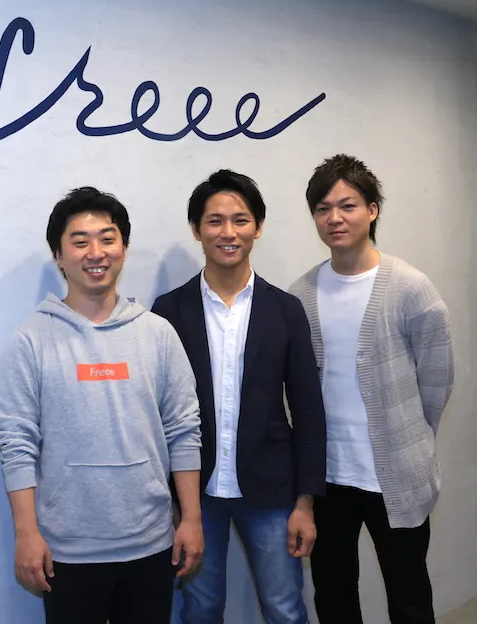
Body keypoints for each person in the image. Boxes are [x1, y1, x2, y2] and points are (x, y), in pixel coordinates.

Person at [0, 186, 204, 624]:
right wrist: (26, 533)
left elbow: (184, 429)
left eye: (108, 239)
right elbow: (17, 443)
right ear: (59, 255)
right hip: (67, 552)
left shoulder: (158, 334)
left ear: (123, 248)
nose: (96, 253)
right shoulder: (31, 340)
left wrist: (192, 519)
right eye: (80, 241)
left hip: (151, 545)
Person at [151, 169, 326, 624]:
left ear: (258, 227)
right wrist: (171, 500)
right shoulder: (169, 311)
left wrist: (305, 502)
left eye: (240, 220)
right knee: (201, 607)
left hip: (272, 490)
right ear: (197, 230)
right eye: (215, 221)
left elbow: (309, 411)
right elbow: (158, 413)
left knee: (285, 609)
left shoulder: (285, 309)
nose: (228, 232)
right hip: (195, 492)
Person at [289, 154, 454, 624]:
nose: (335, 218)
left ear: (372, 210)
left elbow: (437, 381)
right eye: (323, 208)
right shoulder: (300, 294)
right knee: (334, 596)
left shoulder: (411, 289)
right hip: (328, 477)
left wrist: (408, 437)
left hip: (396, 474)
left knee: (409, 599)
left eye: (348, 205)